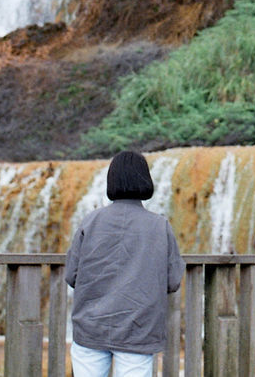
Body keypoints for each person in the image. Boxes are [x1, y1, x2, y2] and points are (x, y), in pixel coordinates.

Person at [65, 151, 185, 377]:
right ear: (145, 180)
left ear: (112, 181)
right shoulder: (159, 226)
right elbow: (172, 281)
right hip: (138, 329)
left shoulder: (90, 221)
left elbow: (72, 275)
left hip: (91, 326)